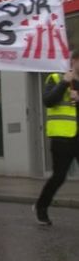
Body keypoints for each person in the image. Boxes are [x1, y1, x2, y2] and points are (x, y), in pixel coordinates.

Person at [34, 49, 79, 225]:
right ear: (74, 61)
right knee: (59, 176)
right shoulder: (54, 77)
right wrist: (64, 83)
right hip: (62, 136)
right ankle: (41, 206)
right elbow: (48, 101)